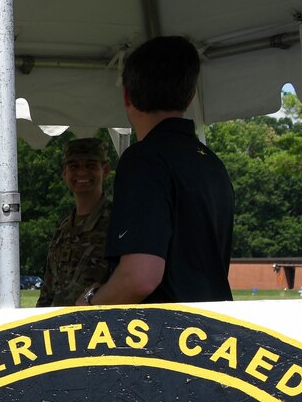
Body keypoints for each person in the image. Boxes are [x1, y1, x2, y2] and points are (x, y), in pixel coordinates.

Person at [89, 36, 235, 305]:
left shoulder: (143, 160)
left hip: (165, 337)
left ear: (126, 95)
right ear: (191, 96)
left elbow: (140, 277)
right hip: (216, 332)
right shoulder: (212, 163)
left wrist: (90, 304)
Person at [39, 138, 113, 307]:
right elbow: (48, 290)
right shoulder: (63, 229)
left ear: (105, 170)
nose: (81, 173)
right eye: (74, 166)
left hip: (98, 326)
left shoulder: (117, 223)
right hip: (57, 326)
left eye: (90, 165)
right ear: (64, 173)